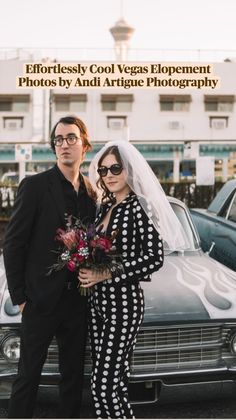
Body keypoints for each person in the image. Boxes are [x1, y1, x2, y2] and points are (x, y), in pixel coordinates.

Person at [79, 140, 189, 418]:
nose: (109, 174)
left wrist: (105, 273)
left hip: (123, 305)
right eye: (103, 170)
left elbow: (154, 258)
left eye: (116, 167)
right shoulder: (104, 208)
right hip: (98, 305)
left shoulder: (141, 207)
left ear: (128, 169)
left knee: (104, 386)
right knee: (109, 382)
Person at [3, 115, 96, 418]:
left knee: (72, 378)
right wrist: (20, 298)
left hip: (77, 302)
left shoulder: (91, 193)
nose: (64, 144)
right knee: (28, 376)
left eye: (71, 138)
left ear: (85, 144)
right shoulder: (35, 186)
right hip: (39, 302)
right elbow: (13, 244)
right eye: (58, 139)